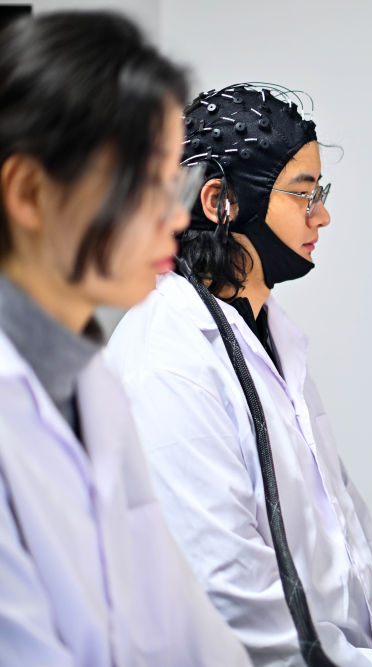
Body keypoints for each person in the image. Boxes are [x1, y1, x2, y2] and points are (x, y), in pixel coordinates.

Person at [107, 83, 372, 666]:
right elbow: (230, 598)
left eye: (320, 192)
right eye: (304, 194)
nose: (322, 215)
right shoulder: (166, 362)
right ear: (220, 201)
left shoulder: (267, 330)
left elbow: (348, 521)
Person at [0, 11, 250, 665]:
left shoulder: (93, 380)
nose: (177, 218)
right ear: (30, 192)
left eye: (175, 184)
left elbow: (187, 625)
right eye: (147, 184)